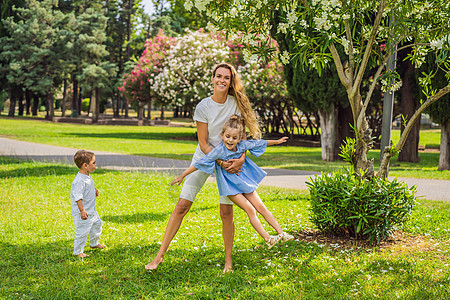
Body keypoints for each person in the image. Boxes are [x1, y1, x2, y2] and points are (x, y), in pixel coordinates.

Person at [145, 63, 261, 273]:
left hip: (230, 162)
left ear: (231, 80)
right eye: (218, 76)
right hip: (207, 157)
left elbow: (242, 138)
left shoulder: (236, 104)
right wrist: (220, 162)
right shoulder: (203, 107)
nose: (222, 81)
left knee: (226, 212)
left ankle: (228, 262)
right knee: (182, 206)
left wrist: (241, 159)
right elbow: (204, 143)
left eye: (226, 77)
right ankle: (159, 255)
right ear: (213, 78)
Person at [171, 115, 294, 249]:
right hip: (230, 188)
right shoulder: (218, 151)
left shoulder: (241, 146)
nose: (230, 140)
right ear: (222, 135)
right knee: (250, 209)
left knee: (261, 207)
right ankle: (268, 239)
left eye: (234, 138)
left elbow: (259, 143)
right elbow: (200, 163)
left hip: (244, 182)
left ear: (239, 138)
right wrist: (182, 175)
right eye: (228, 136)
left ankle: (281, 233)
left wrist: (277, 142)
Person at [70, 150, 105, 257]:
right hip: (83, 212)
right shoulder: (79, 181)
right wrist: (82, 210)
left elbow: (88, 186)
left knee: (97, 224)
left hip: (91, 210)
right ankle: (78, 251)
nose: (95, 165)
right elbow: (78, 197)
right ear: (85, 165)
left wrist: (93, 189)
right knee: (82, 232)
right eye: (93, 163)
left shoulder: (86, 176)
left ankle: (94, 243)